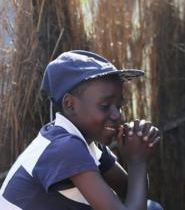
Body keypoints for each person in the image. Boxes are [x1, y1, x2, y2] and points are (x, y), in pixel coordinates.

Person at [0, 50, 163, 210]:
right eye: (105, 106)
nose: (117, 115)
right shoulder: (64, 147)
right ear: (70, 105)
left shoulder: (88, 143)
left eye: (119, 106)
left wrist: (137, 150)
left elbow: (129, 189)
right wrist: (137, 162)